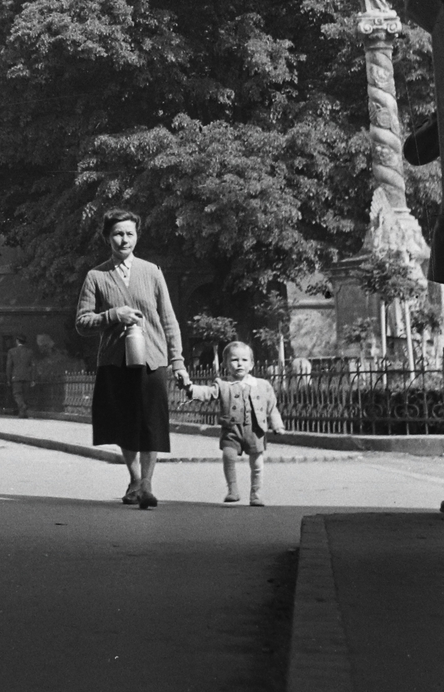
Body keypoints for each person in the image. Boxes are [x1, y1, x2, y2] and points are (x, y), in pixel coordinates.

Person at [75, 209, 190, 509]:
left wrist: (177, 361)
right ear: (106, 237)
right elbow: (82, 322)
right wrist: (114, 315)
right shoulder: (96, 276)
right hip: (115, 360)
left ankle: (148, 483)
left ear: (137, 237)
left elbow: (168, 319)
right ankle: (135, 478)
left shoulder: (152, 272)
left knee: (151, 423)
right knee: (125, 423)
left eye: (129, 233)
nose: (123, 239)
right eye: (117, 233)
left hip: (151, 358)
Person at [187, 341, 286, 506]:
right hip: (231, 430)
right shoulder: (223, 384)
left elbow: (271, 406)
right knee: (228, 456)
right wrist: (191, 389)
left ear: (252, 364)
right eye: (234, 360)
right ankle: (232, 490)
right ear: (225, 364)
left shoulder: (262, 385)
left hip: (255, 430)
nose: (239, 364)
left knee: (257, 463)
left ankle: (256, 493)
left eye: (244, 360)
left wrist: (277, 424)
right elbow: (208, 393)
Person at [7, 335, 36, 417]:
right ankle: (22, 413)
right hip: (27, 377)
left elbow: (9, 366)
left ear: (17, 341)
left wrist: (8, 378)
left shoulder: (11, 351)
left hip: (16, 377)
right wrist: (33, 378)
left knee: (17, 394)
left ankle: (22, 406)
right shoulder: (30, 352)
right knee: (25, 395)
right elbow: (33, 365)